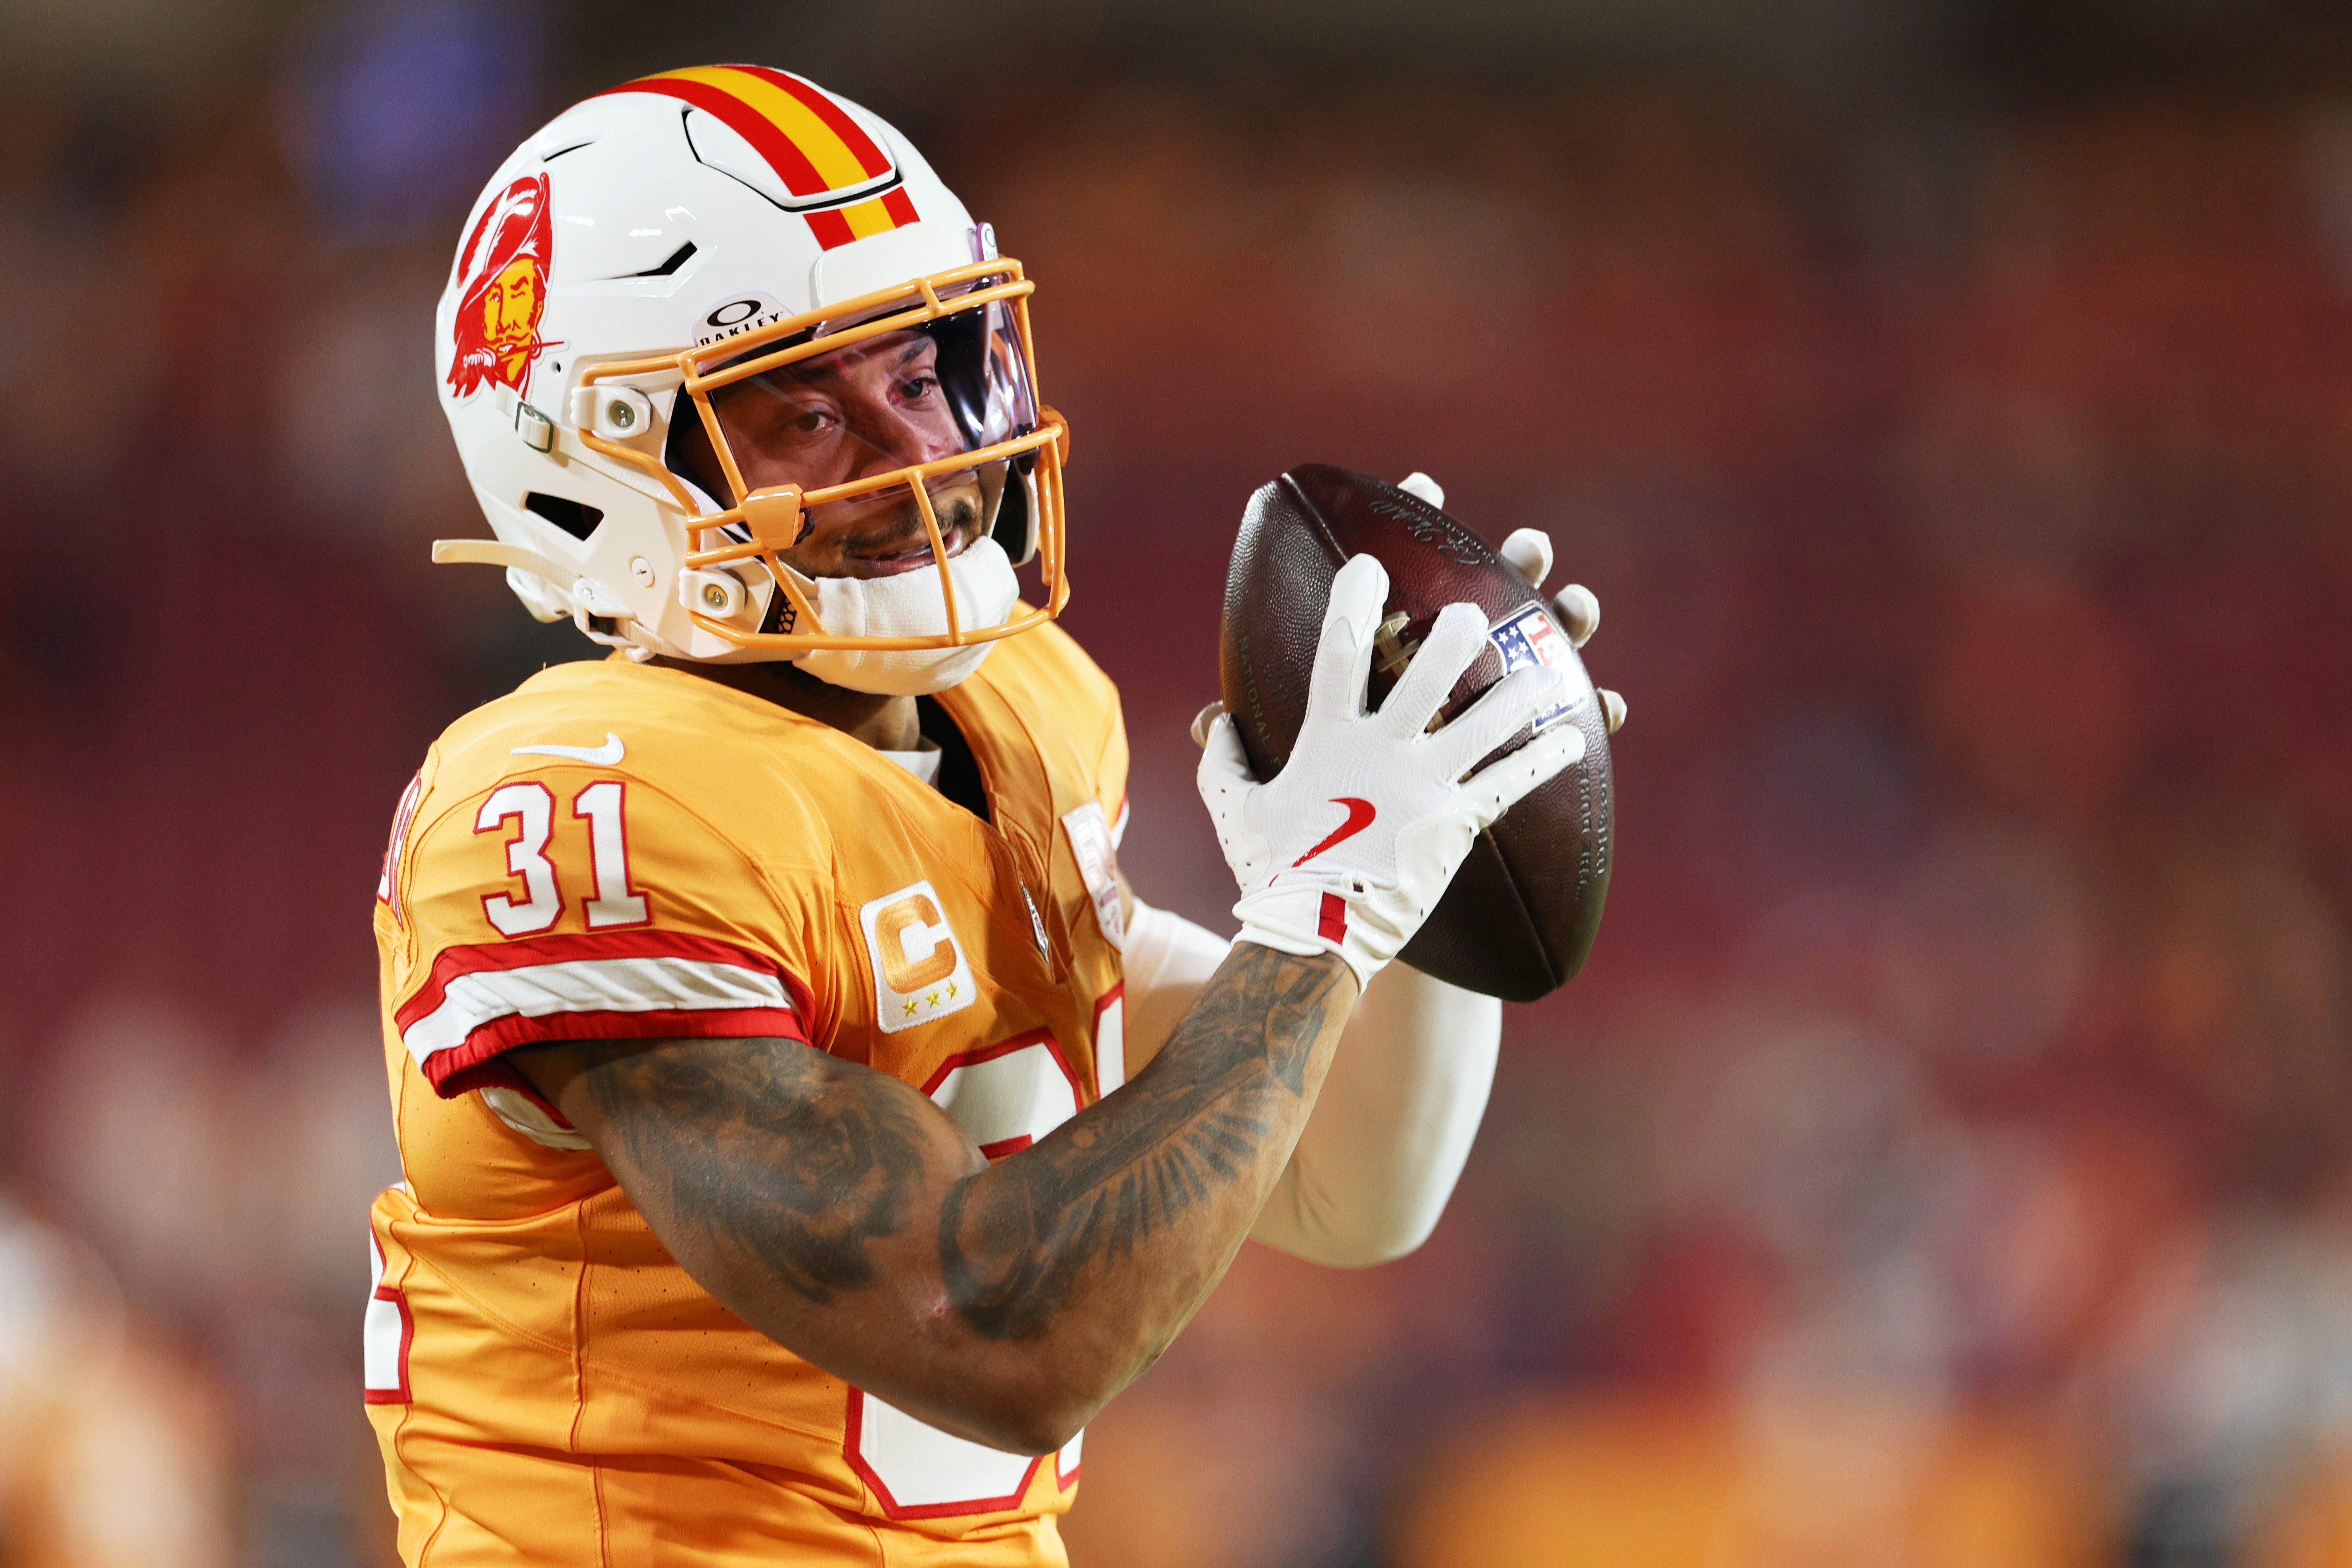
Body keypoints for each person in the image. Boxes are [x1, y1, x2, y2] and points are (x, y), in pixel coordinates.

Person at [369, 63, 1621, 1565]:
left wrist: (1434, 828)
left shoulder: (1019, 709)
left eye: (918, 377)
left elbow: (1343, 1182)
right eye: (804, 414)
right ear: (595, 470)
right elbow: (993, 1333)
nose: (921, 455)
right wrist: (1323, 914)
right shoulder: (591, 806)